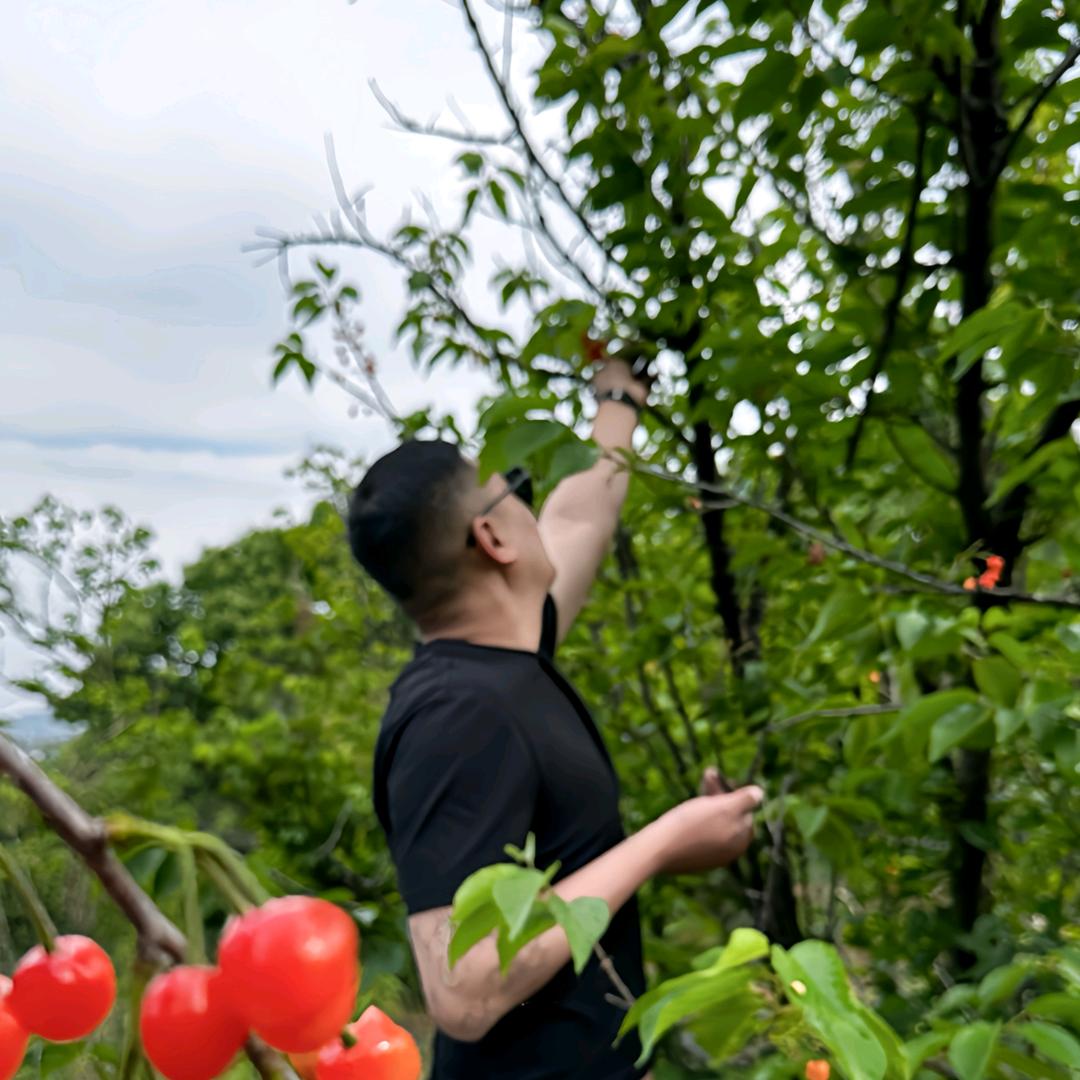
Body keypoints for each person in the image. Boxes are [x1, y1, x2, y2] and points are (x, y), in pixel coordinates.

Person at [347, 357, 764, 1079]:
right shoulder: (458, 716)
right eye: (518, 489)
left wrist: (619, 398)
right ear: (493, 539)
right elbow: (461, 990)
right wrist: (664, 841)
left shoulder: (505, 662)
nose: (537, 508)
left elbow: (580, 515)